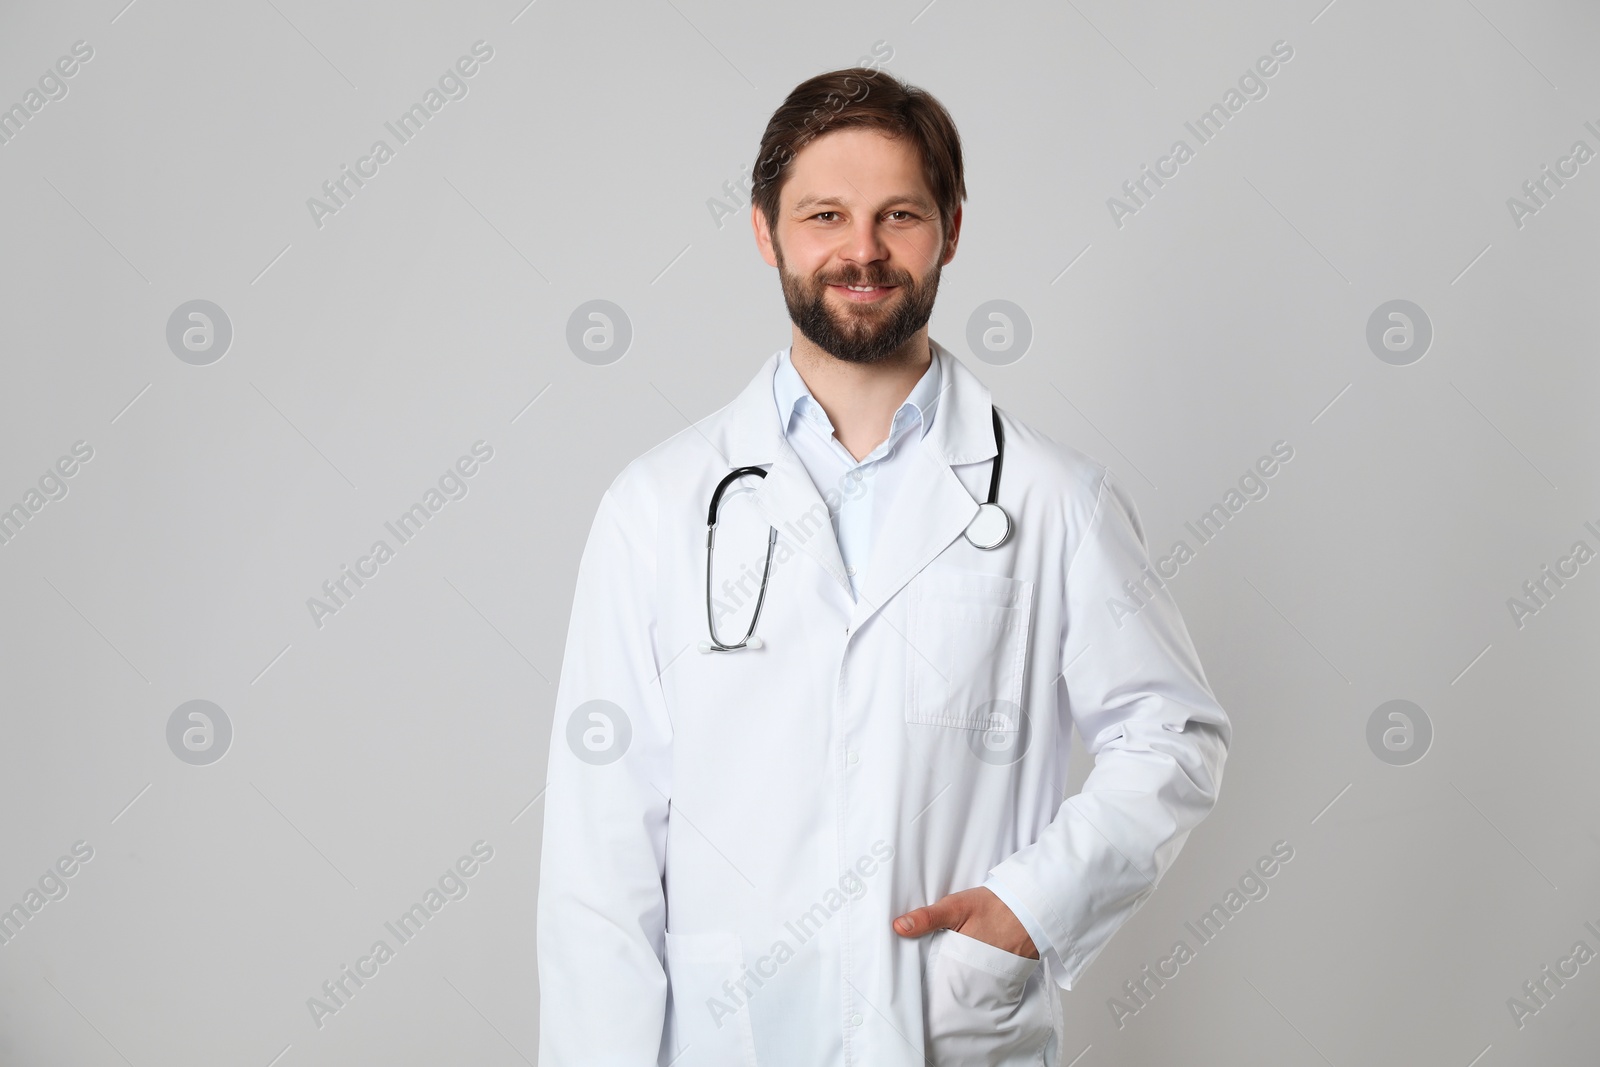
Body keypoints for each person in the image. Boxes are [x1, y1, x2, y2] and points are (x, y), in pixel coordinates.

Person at [536, 66, 1231, 1066]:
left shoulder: (1050, 499)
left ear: (949, 228)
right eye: (824, 214)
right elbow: (598, 860)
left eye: (896, 215)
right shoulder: (656, 507)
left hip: (950, 1028)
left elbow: (1173, 730)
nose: (860, 251)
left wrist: (1032, 907)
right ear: (765, 232)